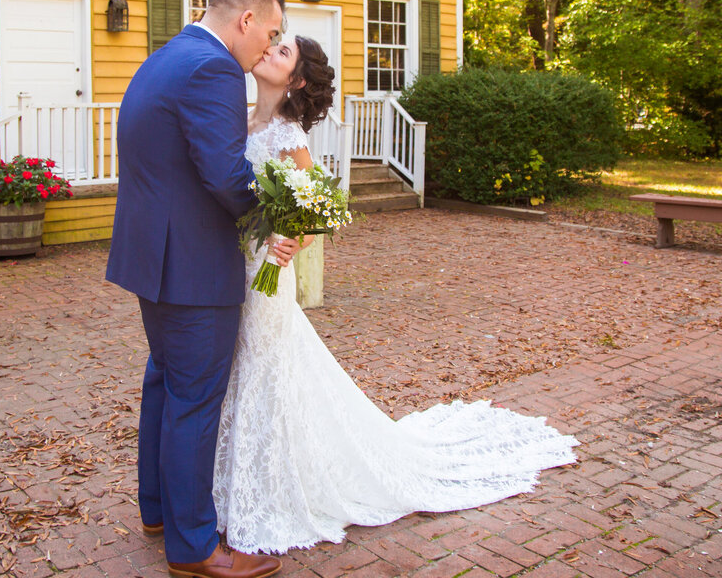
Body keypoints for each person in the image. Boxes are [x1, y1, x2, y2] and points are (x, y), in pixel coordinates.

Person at [211, 35, 580, 555]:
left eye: (284, 51)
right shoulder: (237, 117)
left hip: (268, 269)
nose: (271, 49)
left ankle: (269, 494)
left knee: (266, 367)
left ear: (295, 80)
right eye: (274, 43)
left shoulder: (289, 134)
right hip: (235, 265)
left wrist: (290, 235)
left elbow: (317, 210)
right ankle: (228, 488)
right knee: (239, 366)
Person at [106, 0, 299, 578]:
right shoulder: (213, 69)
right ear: (245, 22)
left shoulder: (166, 56)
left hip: (153, 255)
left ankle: (158, 509)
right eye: (269, 31)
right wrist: (272, 222)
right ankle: (193, 548)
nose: (266, 46)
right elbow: (225, 174)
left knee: (165, 382)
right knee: (194, 399)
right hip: (192, 263)